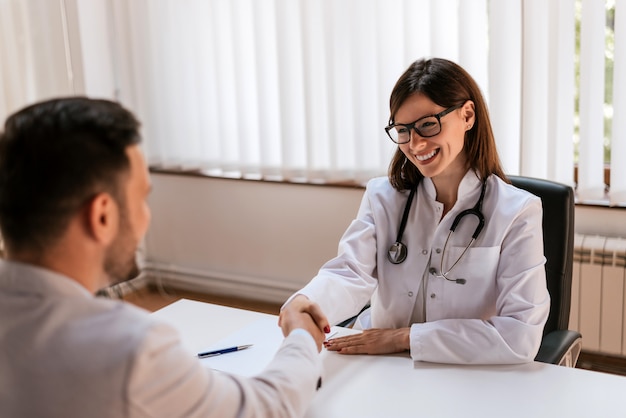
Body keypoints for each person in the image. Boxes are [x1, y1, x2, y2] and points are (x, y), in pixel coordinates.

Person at [0, 97, 330, 418]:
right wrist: (302, 337)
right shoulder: (128, 349)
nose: (147, 217)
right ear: (102, 216)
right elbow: (267, 408)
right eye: (142, 199)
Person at [281, 57, 550, 365]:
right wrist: (305, 302)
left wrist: (404, 338)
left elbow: (521, 334)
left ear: (467, 116)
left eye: (427, 125)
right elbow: (350, 272)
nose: (415, 143)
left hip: (463, 369)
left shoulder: (516, 211)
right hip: (378, 362)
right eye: (403, 130)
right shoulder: (383, 196)